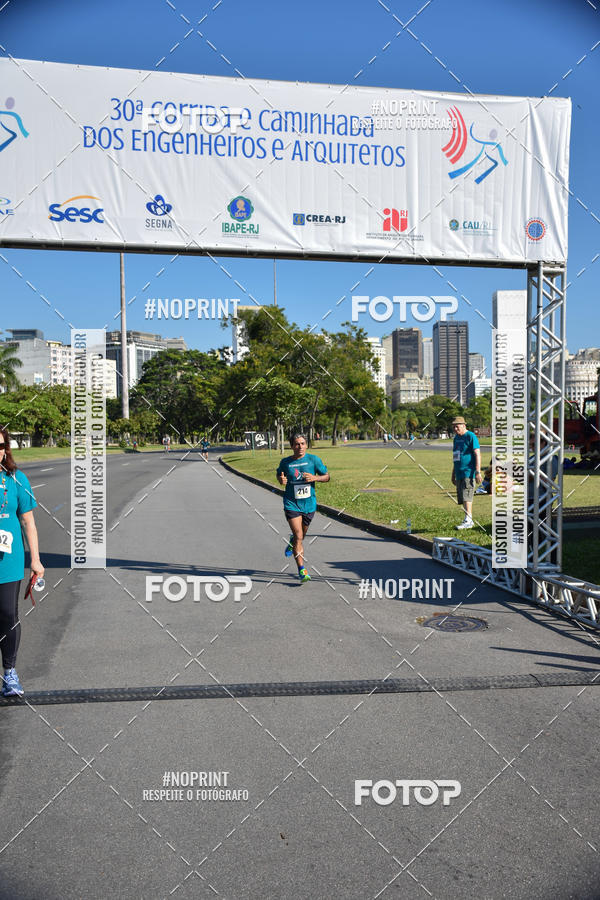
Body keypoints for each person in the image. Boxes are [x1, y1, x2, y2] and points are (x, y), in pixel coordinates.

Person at [0, 427, 44, 697]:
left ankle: (9, 673)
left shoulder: (16, 478)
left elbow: (28, 521)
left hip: (8, 560)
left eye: (0, 445)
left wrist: (36, 561)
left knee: (7, 614)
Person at [276, 434, 329, 583]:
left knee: (300, 535)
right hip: (291, 503)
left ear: (306, 445)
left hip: (309, 504)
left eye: (303, 443)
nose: (300, 447)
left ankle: (293, 540)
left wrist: (315, 478)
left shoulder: (313, 460)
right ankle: (302, 570)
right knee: (299, 536)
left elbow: (327, 476)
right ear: (292, 446)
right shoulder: (286, 462)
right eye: (297, 444)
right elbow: (279, 474)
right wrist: (281, 479)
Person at [450, 416, 482, 530]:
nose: (455, 428)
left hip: (469, 472)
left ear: (464, 425)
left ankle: (469, 519)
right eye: (453, 426)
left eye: (457, 426)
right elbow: (456, 456)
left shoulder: (471, 436)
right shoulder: (456, 438)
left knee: (467, 495)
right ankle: (467, 518)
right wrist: (453, 473)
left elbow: (477, 454)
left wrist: (478, 472)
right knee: (463, 497)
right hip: (459, 472)